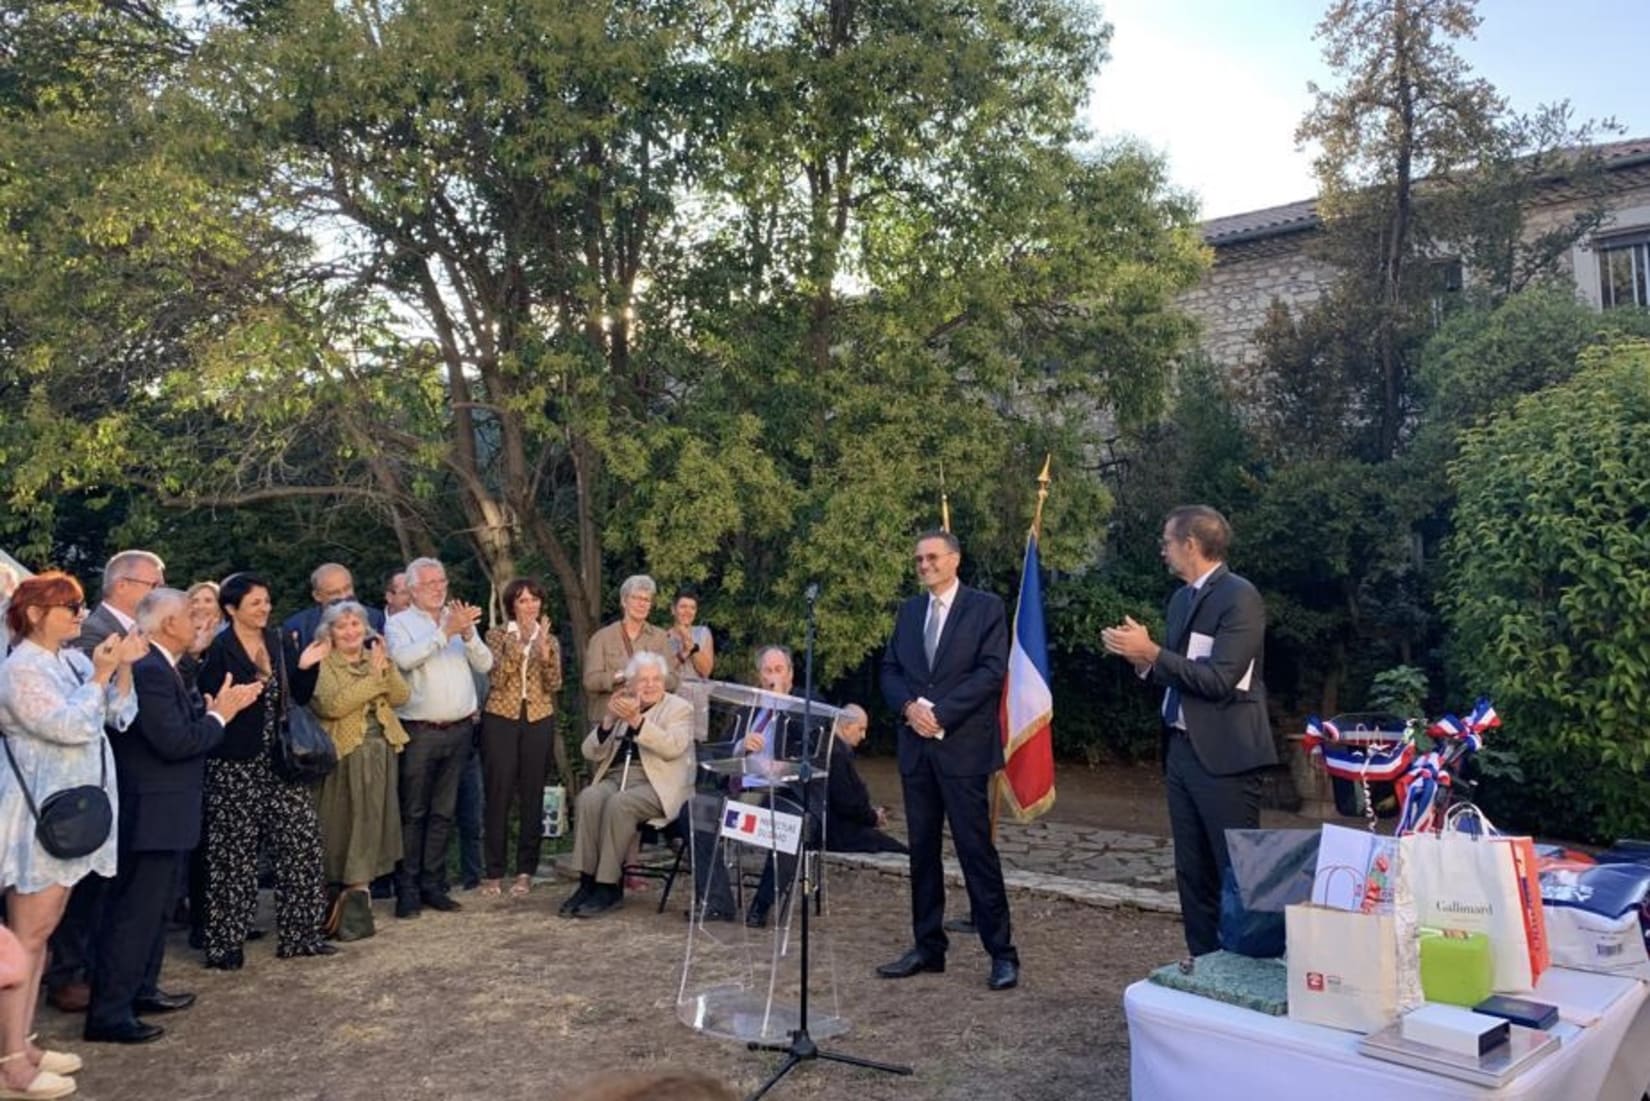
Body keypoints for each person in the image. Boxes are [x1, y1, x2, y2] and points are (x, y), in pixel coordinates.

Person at [1101, 505, 1276, 961]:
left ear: (1191, 545)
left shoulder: (1240, 597)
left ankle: (1247, 969)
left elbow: (1220, 680)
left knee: (1236, 872)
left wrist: (1154, 651)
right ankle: (1203, 966)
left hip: (1226, 757)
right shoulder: (1181, 600)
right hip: (1180, 750)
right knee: (1191, 872)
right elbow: (1179, 674)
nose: (1163, 551)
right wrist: (1142, 661)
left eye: (1167, 542)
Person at [86, 589, 261, 1045]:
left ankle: (142, 989)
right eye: (190, 613)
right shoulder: (149, 671)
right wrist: (221, 716)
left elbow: (177, 728)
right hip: (151, 811)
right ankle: (110, 1011)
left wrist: (211, 708)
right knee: (135, 913)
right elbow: (173, 742)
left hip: (167, 809)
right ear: (167, 624)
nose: (199, 618)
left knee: (156, 909)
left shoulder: (165, 667)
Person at [0, 571, 144, 1095]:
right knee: (26, 938)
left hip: (76, 816)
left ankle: (24, 1042)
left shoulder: (72, 660)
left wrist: (121, 670)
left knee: (40, 938)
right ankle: (10, 1061)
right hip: (41, 819)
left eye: (81, 604)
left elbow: (118, 717)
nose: (79, 614)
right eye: (69, 606)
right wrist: (102, 677)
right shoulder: (20, 671)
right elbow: (72, 726)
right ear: (36, 614)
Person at [878, 530, 1019, 991]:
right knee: (921, 852)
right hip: (917, 751)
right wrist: (908, 709)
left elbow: (991, 672)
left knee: (976, 852)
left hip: (962, 748)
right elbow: (890, 670)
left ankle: (1001, 953)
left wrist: (941, 714)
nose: (924, 565)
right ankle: (928, 947)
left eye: (932, 557)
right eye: (918, 559)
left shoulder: (985, 608)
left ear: (955, 560)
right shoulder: (910, 611)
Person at [46, 549, 167, 1017]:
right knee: (77, 884)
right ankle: (68, 974)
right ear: (123, 586)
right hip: (79, 774)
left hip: (115, 768)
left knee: (104, 881)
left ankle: (97, 968)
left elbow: (120, 708)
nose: (157, 593)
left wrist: (125, 670)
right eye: (152, 585)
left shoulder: (133, 635)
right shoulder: (91, 633)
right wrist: (110, 668)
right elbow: (75, 712)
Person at [196, 572, 334, 968]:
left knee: (301, 842)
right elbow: (211, 698)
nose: (265, 608)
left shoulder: (277, 640)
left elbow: (298, 697)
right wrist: (256, 678)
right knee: (233, 855)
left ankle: (301, 934)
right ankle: (226, 942)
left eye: (267, 601)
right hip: (234, 763)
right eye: (256, 603)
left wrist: (307, 666)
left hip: (279, 761)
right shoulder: (219, 648)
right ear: (231, 609)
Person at [386, 557, 492, 918]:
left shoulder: (456, 618)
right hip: (419, 731)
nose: (437, 587)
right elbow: (404, 660)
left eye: (441, 580)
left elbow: (484, 664)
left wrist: (466, 634)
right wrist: (443, 633)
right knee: (413, 812)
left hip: (459, 729)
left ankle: (434, 884)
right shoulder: (399, 624)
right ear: (412, 589)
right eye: (429, 582)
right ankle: (408, 889)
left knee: (443, 812)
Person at [561, 653, 692, 919]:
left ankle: (608, 886)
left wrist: (637, 722)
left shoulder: (679, 708)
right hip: (617, 777)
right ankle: (587, 882)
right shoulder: (624, 705)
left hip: (658, 783)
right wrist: (609, 720)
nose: (651, 685)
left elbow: (672, 747)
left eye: (656, 679)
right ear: (630, 684)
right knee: (589, 797)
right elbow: (590, 751)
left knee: (620, 804)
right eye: (643, 679)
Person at [309, 601, 409, 940]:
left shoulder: (374, 659)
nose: (351, 632)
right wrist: (371, 679)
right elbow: (333, 705)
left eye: (355, 625)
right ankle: (330, 908)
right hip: (344, 756)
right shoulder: (324, 664)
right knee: (341, 827)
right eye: (342, 626)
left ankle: (357, 909)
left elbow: (400, 696)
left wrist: (385, 670)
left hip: (381, 752)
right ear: (330, 632)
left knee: (371, 827)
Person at [479, 578, 563, 897]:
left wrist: (543, 655)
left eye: (534, 600)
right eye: (523, 600)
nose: (530, 606)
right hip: (501, 717)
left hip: (538, 717)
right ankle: (493, 871)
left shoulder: (550, 639)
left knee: (533, 794)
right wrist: (520, 645)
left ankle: (526, 870)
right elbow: (497, 678)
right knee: (498, 793)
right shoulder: (496, 635)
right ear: (512, 605)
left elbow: (554, 684)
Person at [581, 575, 674, 722]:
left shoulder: (661, 638)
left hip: (649, 721)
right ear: (624, 601)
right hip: (610, 721)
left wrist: (650, 680)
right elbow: (590, 681)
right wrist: (620, 676)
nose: (641, 604)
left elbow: (673, 679)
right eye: (636, 598)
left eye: (646, 600)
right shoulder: (602, 637)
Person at [824, 705, 907, 855]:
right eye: (861, 729)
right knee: (901, 851)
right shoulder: (836, 754)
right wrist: (873, 817)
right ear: (847, 727)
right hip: (841, 832)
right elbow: (845, 801)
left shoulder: (829, 747)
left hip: (838, 826)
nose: (863, 736)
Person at [280, 563, 386, 649]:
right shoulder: (298, 627)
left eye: (347, 588)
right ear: (317, 596)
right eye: (334, 593)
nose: (344, 597)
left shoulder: (374, 618)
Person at [665, 587, 714, 740]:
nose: (688, 611)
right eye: (683, 607)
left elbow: (706, 671)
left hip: (697, 703)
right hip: (672, 699)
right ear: (673, 610)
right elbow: (664, 672)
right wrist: (682, 653)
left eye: (692, 608)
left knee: (695, 750)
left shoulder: (703, 633)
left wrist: (689, 643)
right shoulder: (663, 637)